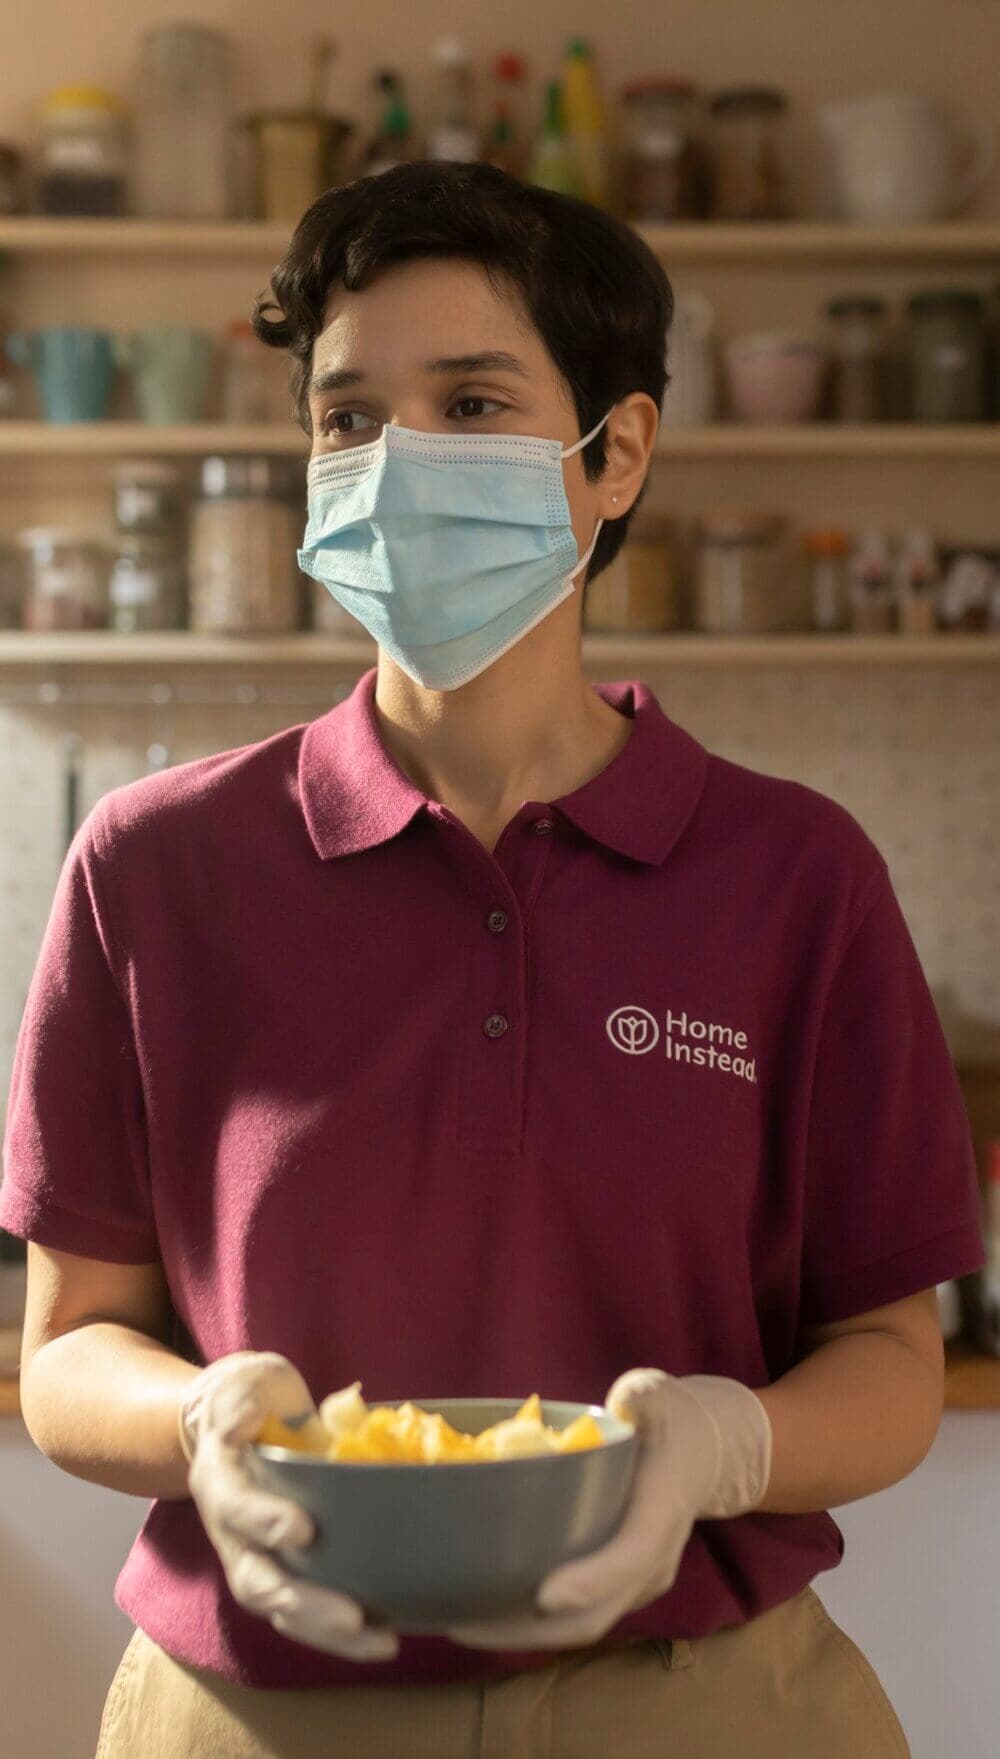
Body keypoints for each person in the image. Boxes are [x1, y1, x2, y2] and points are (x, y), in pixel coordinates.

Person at [1, 161, 985, 1759]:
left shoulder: (798, 878)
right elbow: (65, 1353)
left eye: (470, 401)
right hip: (255, 1705)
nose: (395, 466)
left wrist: (722, 1449)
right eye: (346, 418)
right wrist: (195, 1422)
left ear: (618, 455)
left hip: (708, 1705)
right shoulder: (154, 867)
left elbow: (887, 1357)